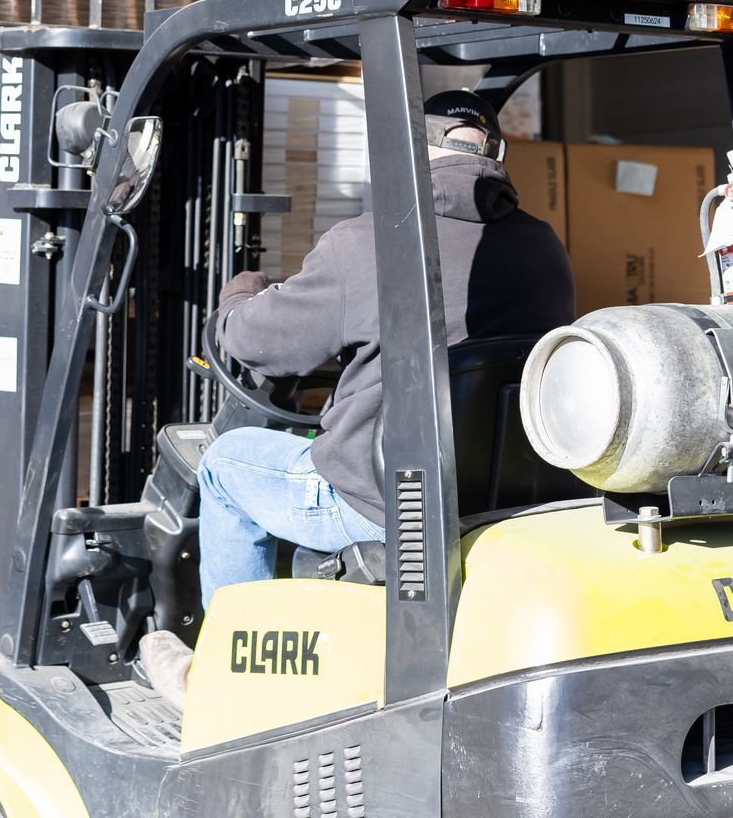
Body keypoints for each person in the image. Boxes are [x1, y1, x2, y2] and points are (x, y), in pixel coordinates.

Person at [194, 89, 577, 607]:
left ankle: (226, 665)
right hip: (500, 491)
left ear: (413, 149)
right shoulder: (544, 246)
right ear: (496, 155)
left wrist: (240, 297)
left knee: (224, 462)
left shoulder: (371, 242)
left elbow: (259, 344)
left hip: (382, 502)